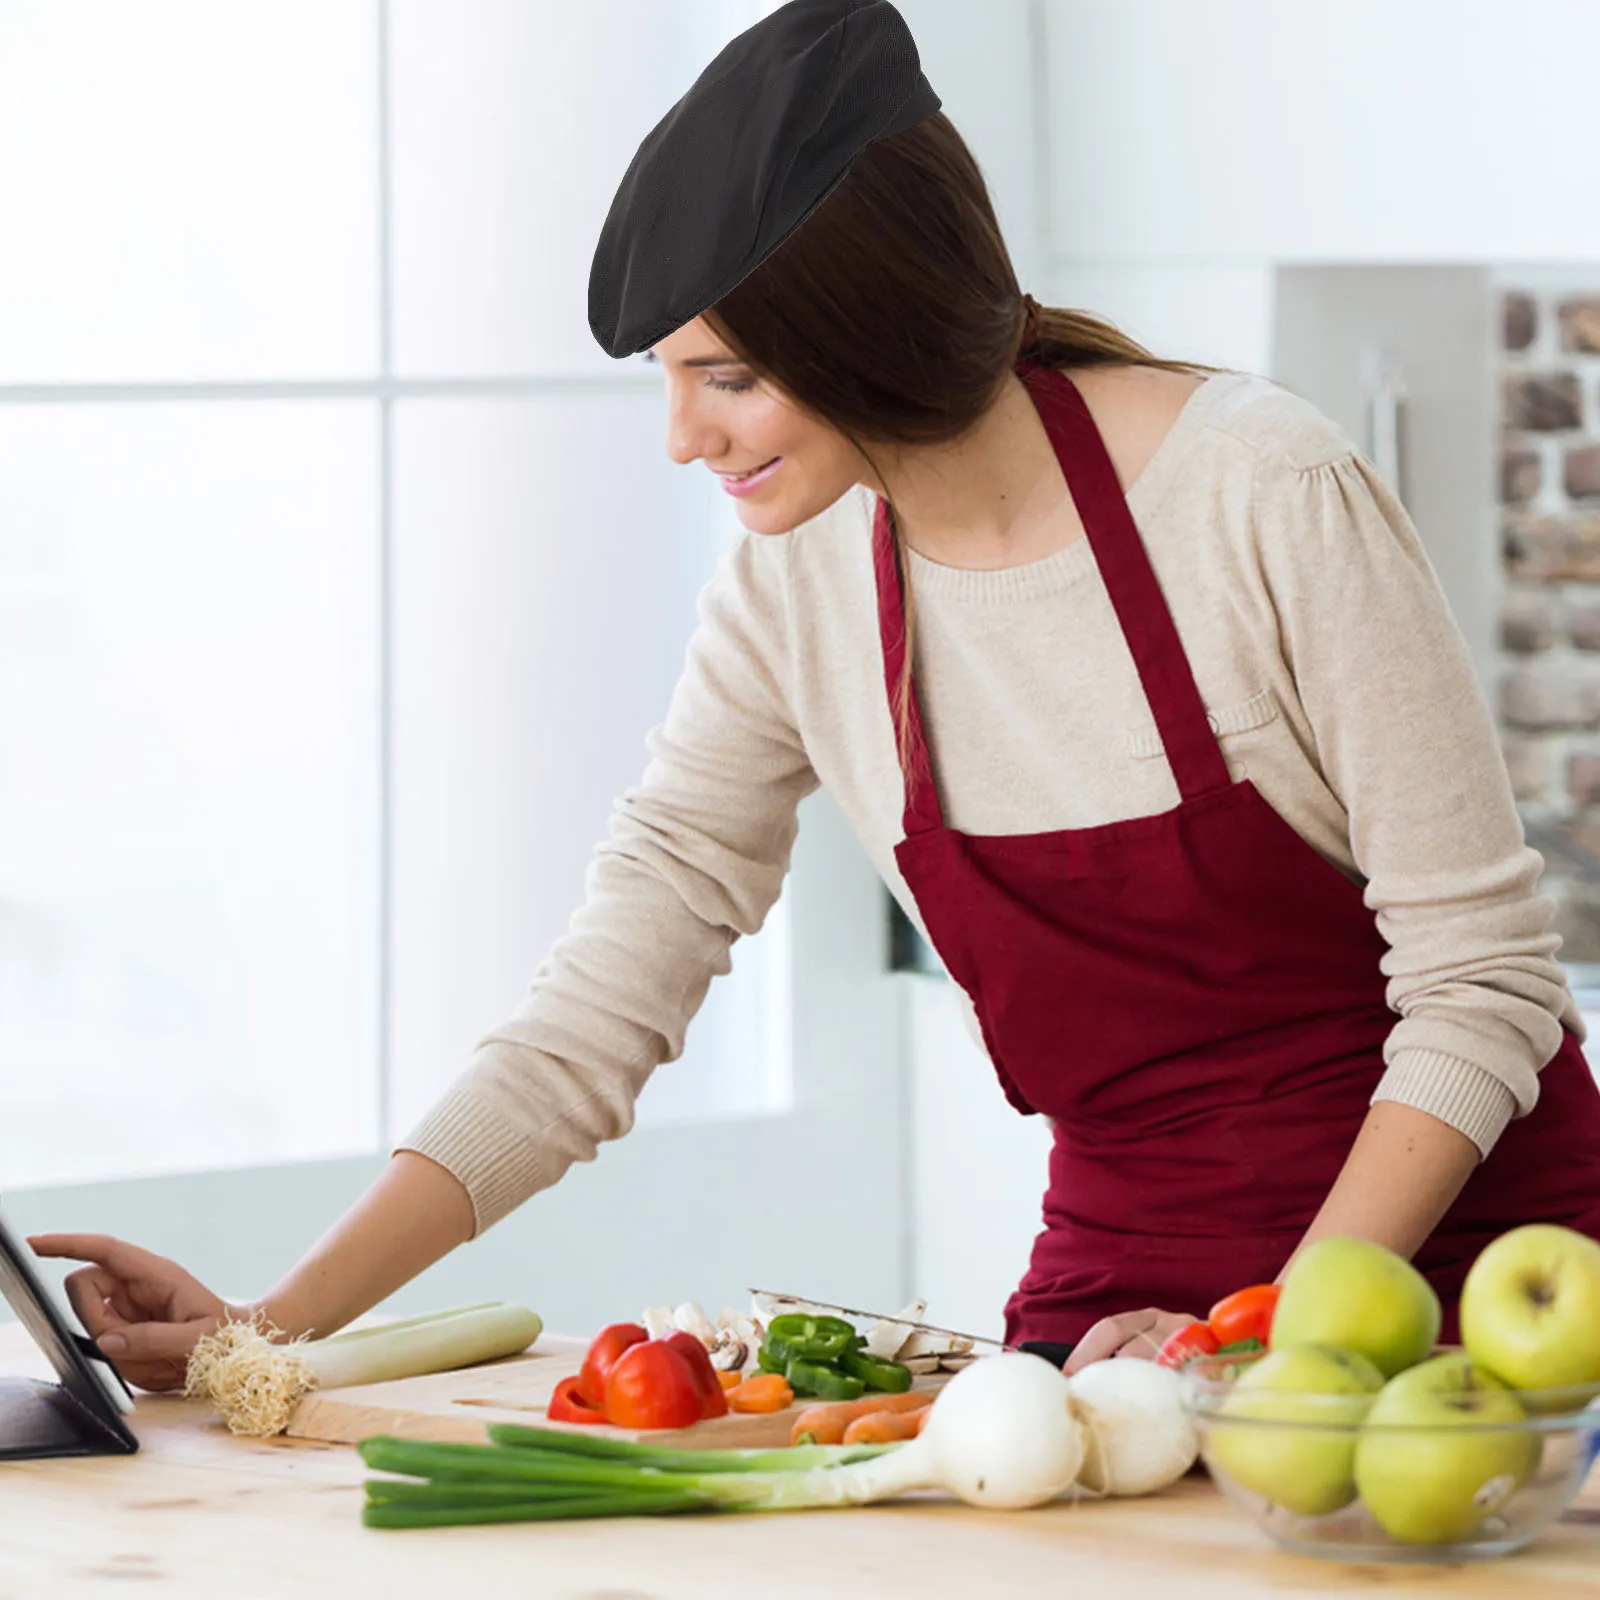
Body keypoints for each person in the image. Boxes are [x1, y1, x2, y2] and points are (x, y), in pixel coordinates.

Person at [30, 0, 1600, 1390]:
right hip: (1123, 1306)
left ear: (867, 320)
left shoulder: (1259, 488)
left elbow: (1484, 983)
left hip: (1447, 1288)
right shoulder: (801, 584)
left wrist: (1277, 1338)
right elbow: (599, 1011)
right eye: (667, 379)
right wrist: (269, 1329)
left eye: (725, 377)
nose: (683, 441)